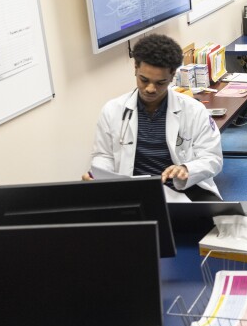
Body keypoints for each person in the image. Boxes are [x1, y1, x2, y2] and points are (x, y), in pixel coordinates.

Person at [82, 34, 223, 201]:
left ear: (172, 75)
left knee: (227, 216)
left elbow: (212, 158)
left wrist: (186, 168)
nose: (150, 88)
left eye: (160, 83)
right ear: (135, 68)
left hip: (184, 189)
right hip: (134, 193)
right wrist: (98, 176)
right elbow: (103, 156)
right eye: (144, 80)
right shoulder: (113, 110)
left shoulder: (194, 110)